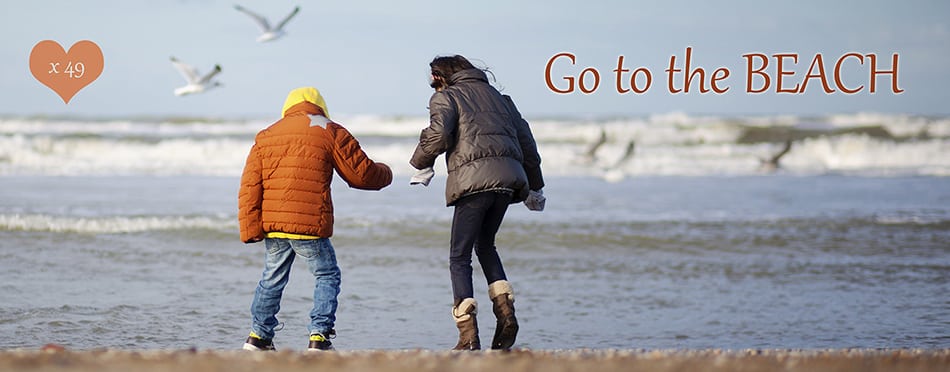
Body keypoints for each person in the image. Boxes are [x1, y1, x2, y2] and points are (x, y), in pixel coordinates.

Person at [238, 87, 393, 351]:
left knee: (271, 277)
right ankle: (319, 337)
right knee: (327, 275)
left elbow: (250, 185)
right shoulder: (330, 130)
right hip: (310, 223)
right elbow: (362, 174)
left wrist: (251, 228)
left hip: (274, 225)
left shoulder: (267, 134)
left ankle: (258, 337)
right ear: (320, 106)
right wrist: (386, 173)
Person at [410, 55, 546, 351]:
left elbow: (439, 134)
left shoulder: (447, 97)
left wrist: (420, 163)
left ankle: (467, 334)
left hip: (473, 182)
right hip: (509, 183)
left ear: (439, 76)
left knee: (459, 256)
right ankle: (506, 312)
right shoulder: (502, 99)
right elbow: (528, 145)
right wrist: (535, 186)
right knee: (485, 246)